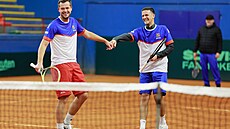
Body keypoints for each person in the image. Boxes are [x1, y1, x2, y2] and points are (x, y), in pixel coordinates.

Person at [32, 0, 113, 129]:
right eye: (62, 8)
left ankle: (67, 122)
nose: (65, 11)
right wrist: (39, 62)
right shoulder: (53, 25)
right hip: (60, 65)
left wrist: (104, 41)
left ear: (71, 8)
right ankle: (59, 127)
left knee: (83, 94)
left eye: (67, 8)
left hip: (73, 64)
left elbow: (87, 34)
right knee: (63, 98)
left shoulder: (74, 22)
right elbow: (44, 44)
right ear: (58, 9)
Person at [110, 7, 174, 129]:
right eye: (143, 15)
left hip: (159, 68)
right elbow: (128, 36)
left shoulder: (163, 29)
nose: (144, 17)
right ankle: (142, 125)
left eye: (147, 15)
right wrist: (116, 39)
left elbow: (171, 47)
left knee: (158, 98)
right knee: (144, 97)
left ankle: (162, 122)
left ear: (153, 16)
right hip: (145, 70)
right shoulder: (139, 32)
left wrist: (158, 56)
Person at [194, 14, 222, 87]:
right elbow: (198, 40)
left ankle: (218, 83)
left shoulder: (217, 30)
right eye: (207, 20)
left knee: (214, 69)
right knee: (204, 69)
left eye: (210, 20)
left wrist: (218, 52)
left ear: (213, 21)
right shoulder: (201, 29)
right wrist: (195, 51)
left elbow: (220, 42)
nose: (208, 21)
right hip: (202, 53)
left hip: (212, 54)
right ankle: (206, 84)